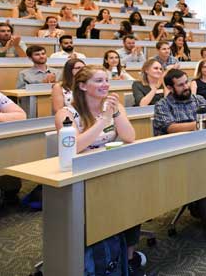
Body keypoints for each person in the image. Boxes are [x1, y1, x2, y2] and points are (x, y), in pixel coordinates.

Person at [53, 66, 142, 274]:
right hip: (80, 175)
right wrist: (103, 119)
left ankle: (127, 258)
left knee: (133, 202)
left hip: (109, 168)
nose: (106, 85)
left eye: (107, 81)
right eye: (99, 81)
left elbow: (129, 137)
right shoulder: (66, 114)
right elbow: (74, 146)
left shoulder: (114, 106)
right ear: (83, 86)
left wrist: (116, 112)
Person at [152, 69, 206, 241]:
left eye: (186, 82)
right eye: (181, 85)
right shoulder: (162, 105)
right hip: (176, 157)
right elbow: (170, 127)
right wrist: (202, 122)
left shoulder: (199, 100)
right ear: (170, 88)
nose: (186, 87)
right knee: (201, 173)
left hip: (203, 151)